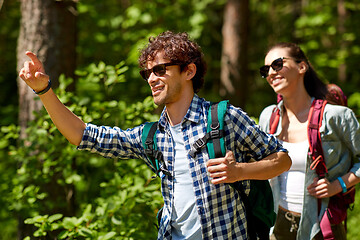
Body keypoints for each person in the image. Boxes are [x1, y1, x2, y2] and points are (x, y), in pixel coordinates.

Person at [19, 31, 291, 240]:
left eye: (160, 70)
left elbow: (282, 160)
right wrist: (44, 91)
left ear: (189, 71)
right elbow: (82, 135)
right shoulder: (152, 136)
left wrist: (240, 171)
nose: (151, 78)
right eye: (147, 72)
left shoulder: (224, 118)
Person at [258, 42, 360, 240]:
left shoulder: (336, 116)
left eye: (278, 64)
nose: (271, 72)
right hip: (277, 227)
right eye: (266, 69)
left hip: (321, 227)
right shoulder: (268, 117)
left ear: (302, 67)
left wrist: (338, 185)